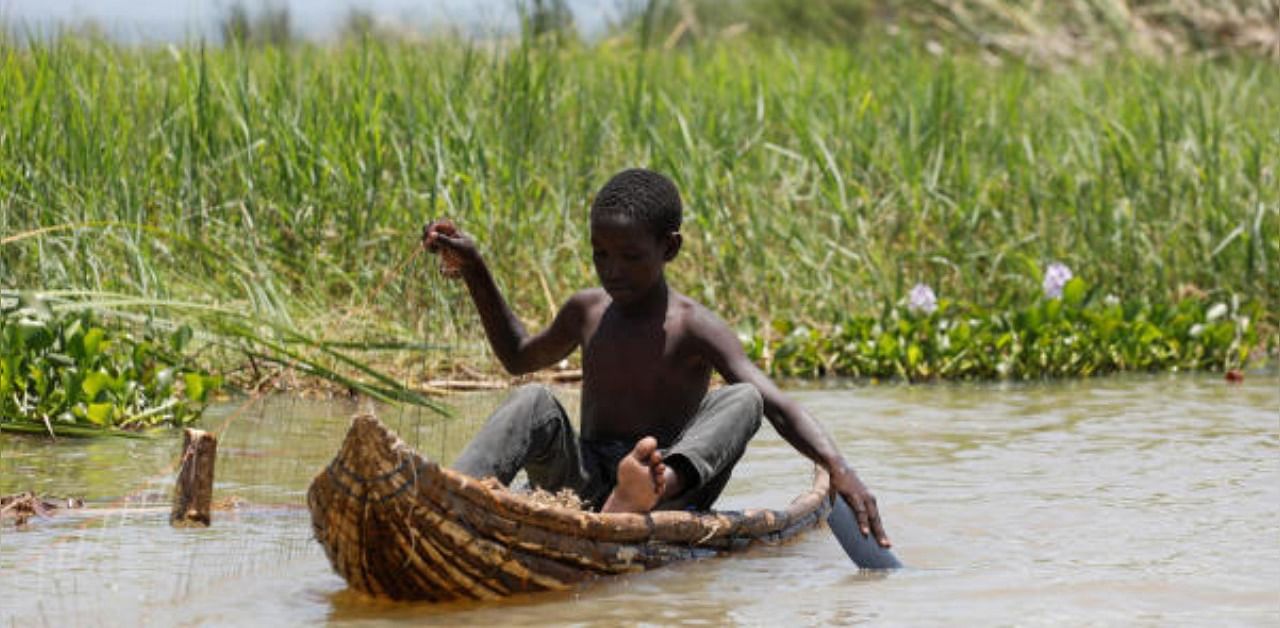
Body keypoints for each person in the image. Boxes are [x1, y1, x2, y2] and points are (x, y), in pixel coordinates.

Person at [423, 168, 890, 547]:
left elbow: (780, 407)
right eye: (600, 255)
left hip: (667, 486)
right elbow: (518, 357)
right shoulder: (587, 310)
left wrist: (840, 470)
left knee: (746, 397)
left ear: (669, 248)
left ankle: (639, 494)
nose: (612, 271)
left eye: (630, 256)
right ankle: (446, 499)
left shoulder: (693, 325)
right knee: (532, 401)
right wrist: (476, 272)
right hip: (584, 482)